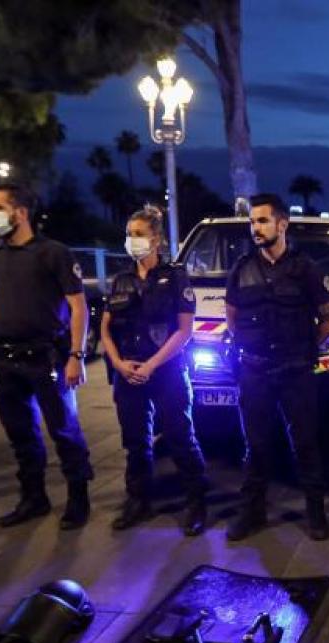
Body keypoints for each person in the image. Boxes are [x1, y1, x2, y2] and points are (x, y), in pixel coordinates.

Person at [224, 193, 329, 541]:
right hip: (255, 371)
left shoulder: (307, 270)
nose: (255, 228)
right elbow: (232, 318)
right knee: (256, 444)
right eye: (252, 222)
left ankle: (315, 514)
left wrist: (302, 348)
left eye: (262, 221)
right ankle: (252, 512)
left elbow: (327, 320)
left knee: (305, 443)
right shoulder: (241, 269)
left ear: (282, 224)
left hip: (296, 370)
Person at [0, 183, 94, 530]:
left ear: (21, 212)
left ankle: (78, 499)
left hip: (47, 357)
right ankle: (33, 498)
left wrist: (76, 355)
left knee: (63, 430)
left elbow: (78, 307)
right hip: (4, 358)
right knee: (20, 434)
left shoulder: (53, 253)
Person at [99, 205, 209, 535]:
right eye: (129, 235)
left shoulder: (175, 277)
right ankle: (138, 501)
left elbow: (184, 330)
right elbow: (105, 328)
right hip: (128, 372)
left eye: (139, 234)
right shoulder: (121, 280)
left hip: (166, 371)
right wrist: (119, 363)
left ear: (156, 239)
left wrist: (151, 365)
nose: (132, 241)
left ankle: (196, 501)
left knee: (179, 436)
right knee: (135, 441)